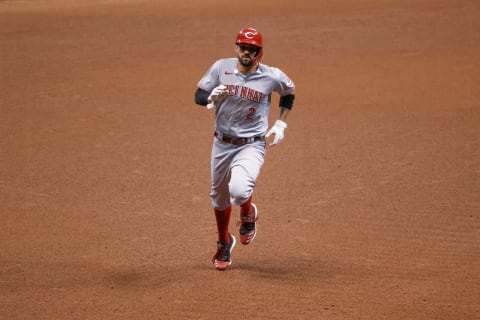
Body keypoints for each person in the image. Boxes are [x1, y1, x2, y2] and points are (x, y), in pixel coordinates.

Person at [194, 27, 295, 270]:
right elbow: (199, 94)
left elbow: (289, 92)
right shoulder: (221, 67)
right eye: (242, 47)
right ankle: (224, 241)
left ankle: (248, 211)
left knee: (238, 192)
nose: (246, 52)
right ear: (236, 48)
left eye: (252, 49)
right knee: (218, 199)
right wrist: (209, 98)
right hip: (221, 143)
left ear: (259, 52)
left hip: (251, 144)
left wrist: (281, 122)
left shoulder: (271, 75)